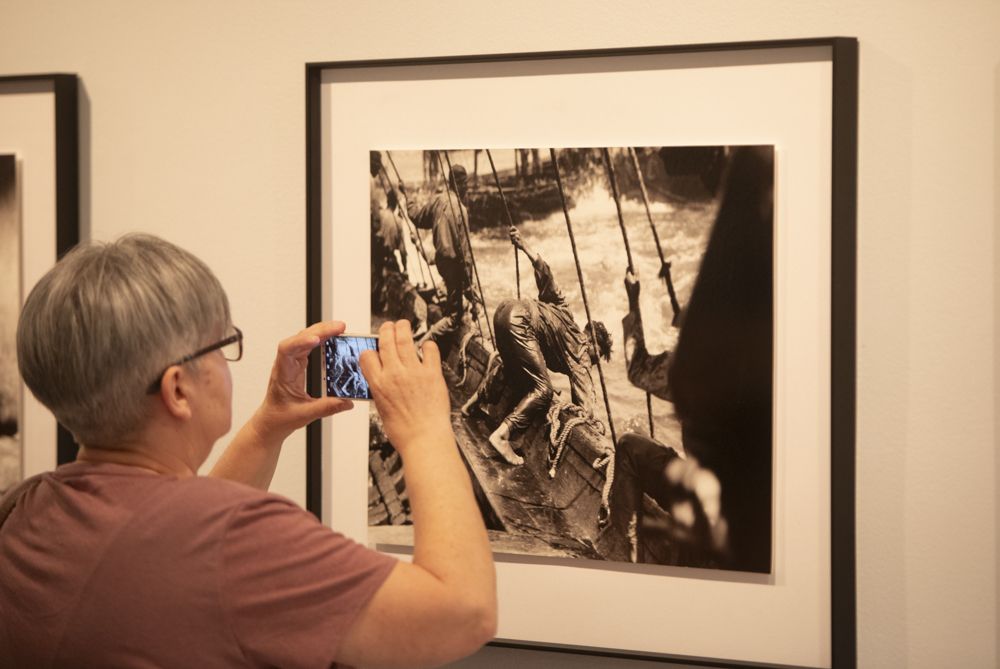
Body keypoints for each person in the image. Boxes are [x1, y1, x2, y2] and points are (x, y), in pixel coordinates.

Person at [0, 234, 496, 667]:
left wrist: (266, 426)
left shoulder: (24, 510)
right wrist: (425, 426)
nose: (226, 361)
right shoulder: (235, 536)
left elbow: (172, 544)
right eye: (220, 345)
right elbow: (462, 613)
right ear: (177, 390)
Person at [607, 146, 774, 572]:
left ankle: (618, 558)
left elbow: (638, 368)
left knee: (627, 448)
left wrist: (633, 300)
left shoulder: (705, 362)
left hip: (712, 504)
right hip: (759, 511)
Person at [464, 226, 612, 466]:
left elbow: (546, 273)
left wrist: (523, 244)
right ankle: (502, 435)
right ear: (595, 345)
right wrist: (600, 435)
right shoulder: (582, 350)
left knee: (513, 370)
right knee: (543, 391)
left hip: (504, 310)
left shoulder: (563, 308)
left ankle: (472, 404)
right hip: (519, 322)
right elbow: (587, 404)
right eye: (598, 358)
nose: (593, 363)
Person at [400, 163, 475, 346]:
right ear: (461, 184)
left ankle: (443, 329)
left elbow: (417, 217)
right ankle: (422, 345)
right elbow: (465, 254)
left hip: (441, 263)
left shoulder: (437, 201)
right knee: (455, 317)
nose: (467, 188)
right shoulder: (462, 211)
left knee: (453, 300)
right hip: (453, 266)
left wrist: (407, 197)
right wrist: (469, 286)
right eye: (465, 184)